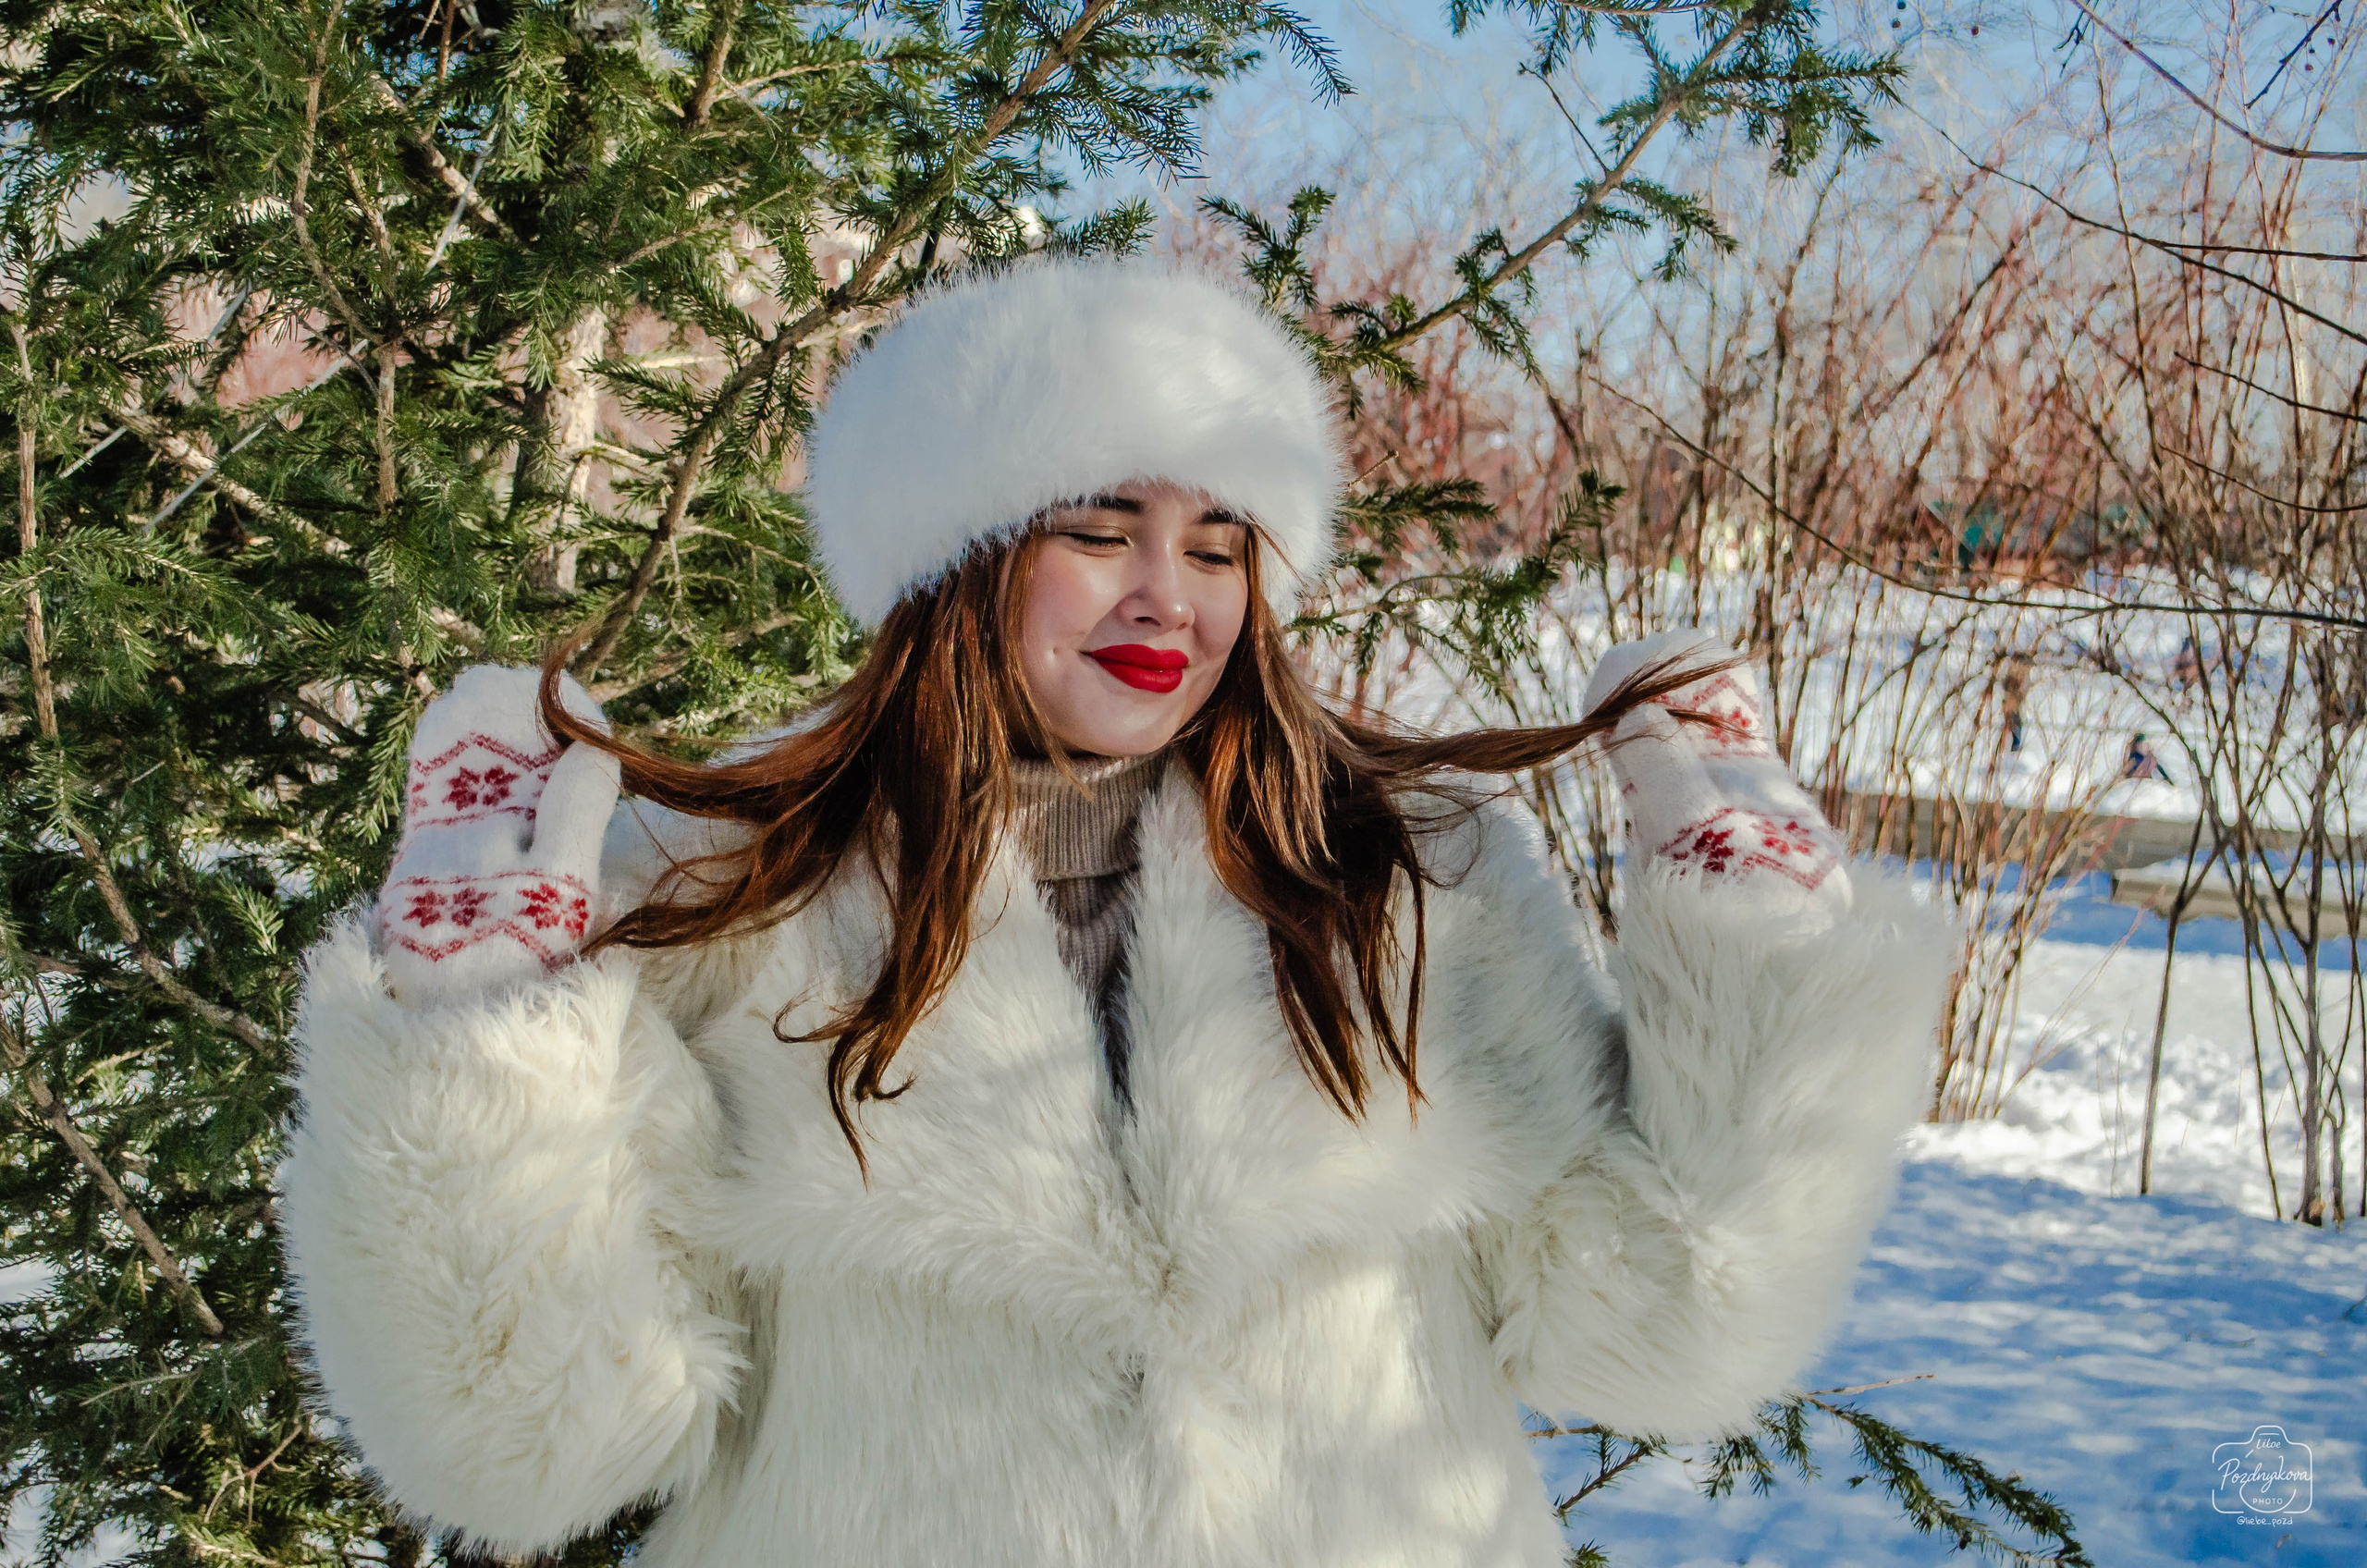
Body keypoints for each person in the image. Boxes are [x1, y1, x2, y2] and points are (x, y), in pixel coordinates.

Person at [277, 261, 1955, 1568]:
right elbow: (532, 1441)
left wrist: (1765, 974)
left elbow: (1653, 1320)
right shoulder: (734, 892)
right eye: (1100, 529)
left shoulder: (1398, 871)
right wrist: (477, 1050)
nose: (1174, 595)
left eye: (1221, 544)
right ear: (954, 563)